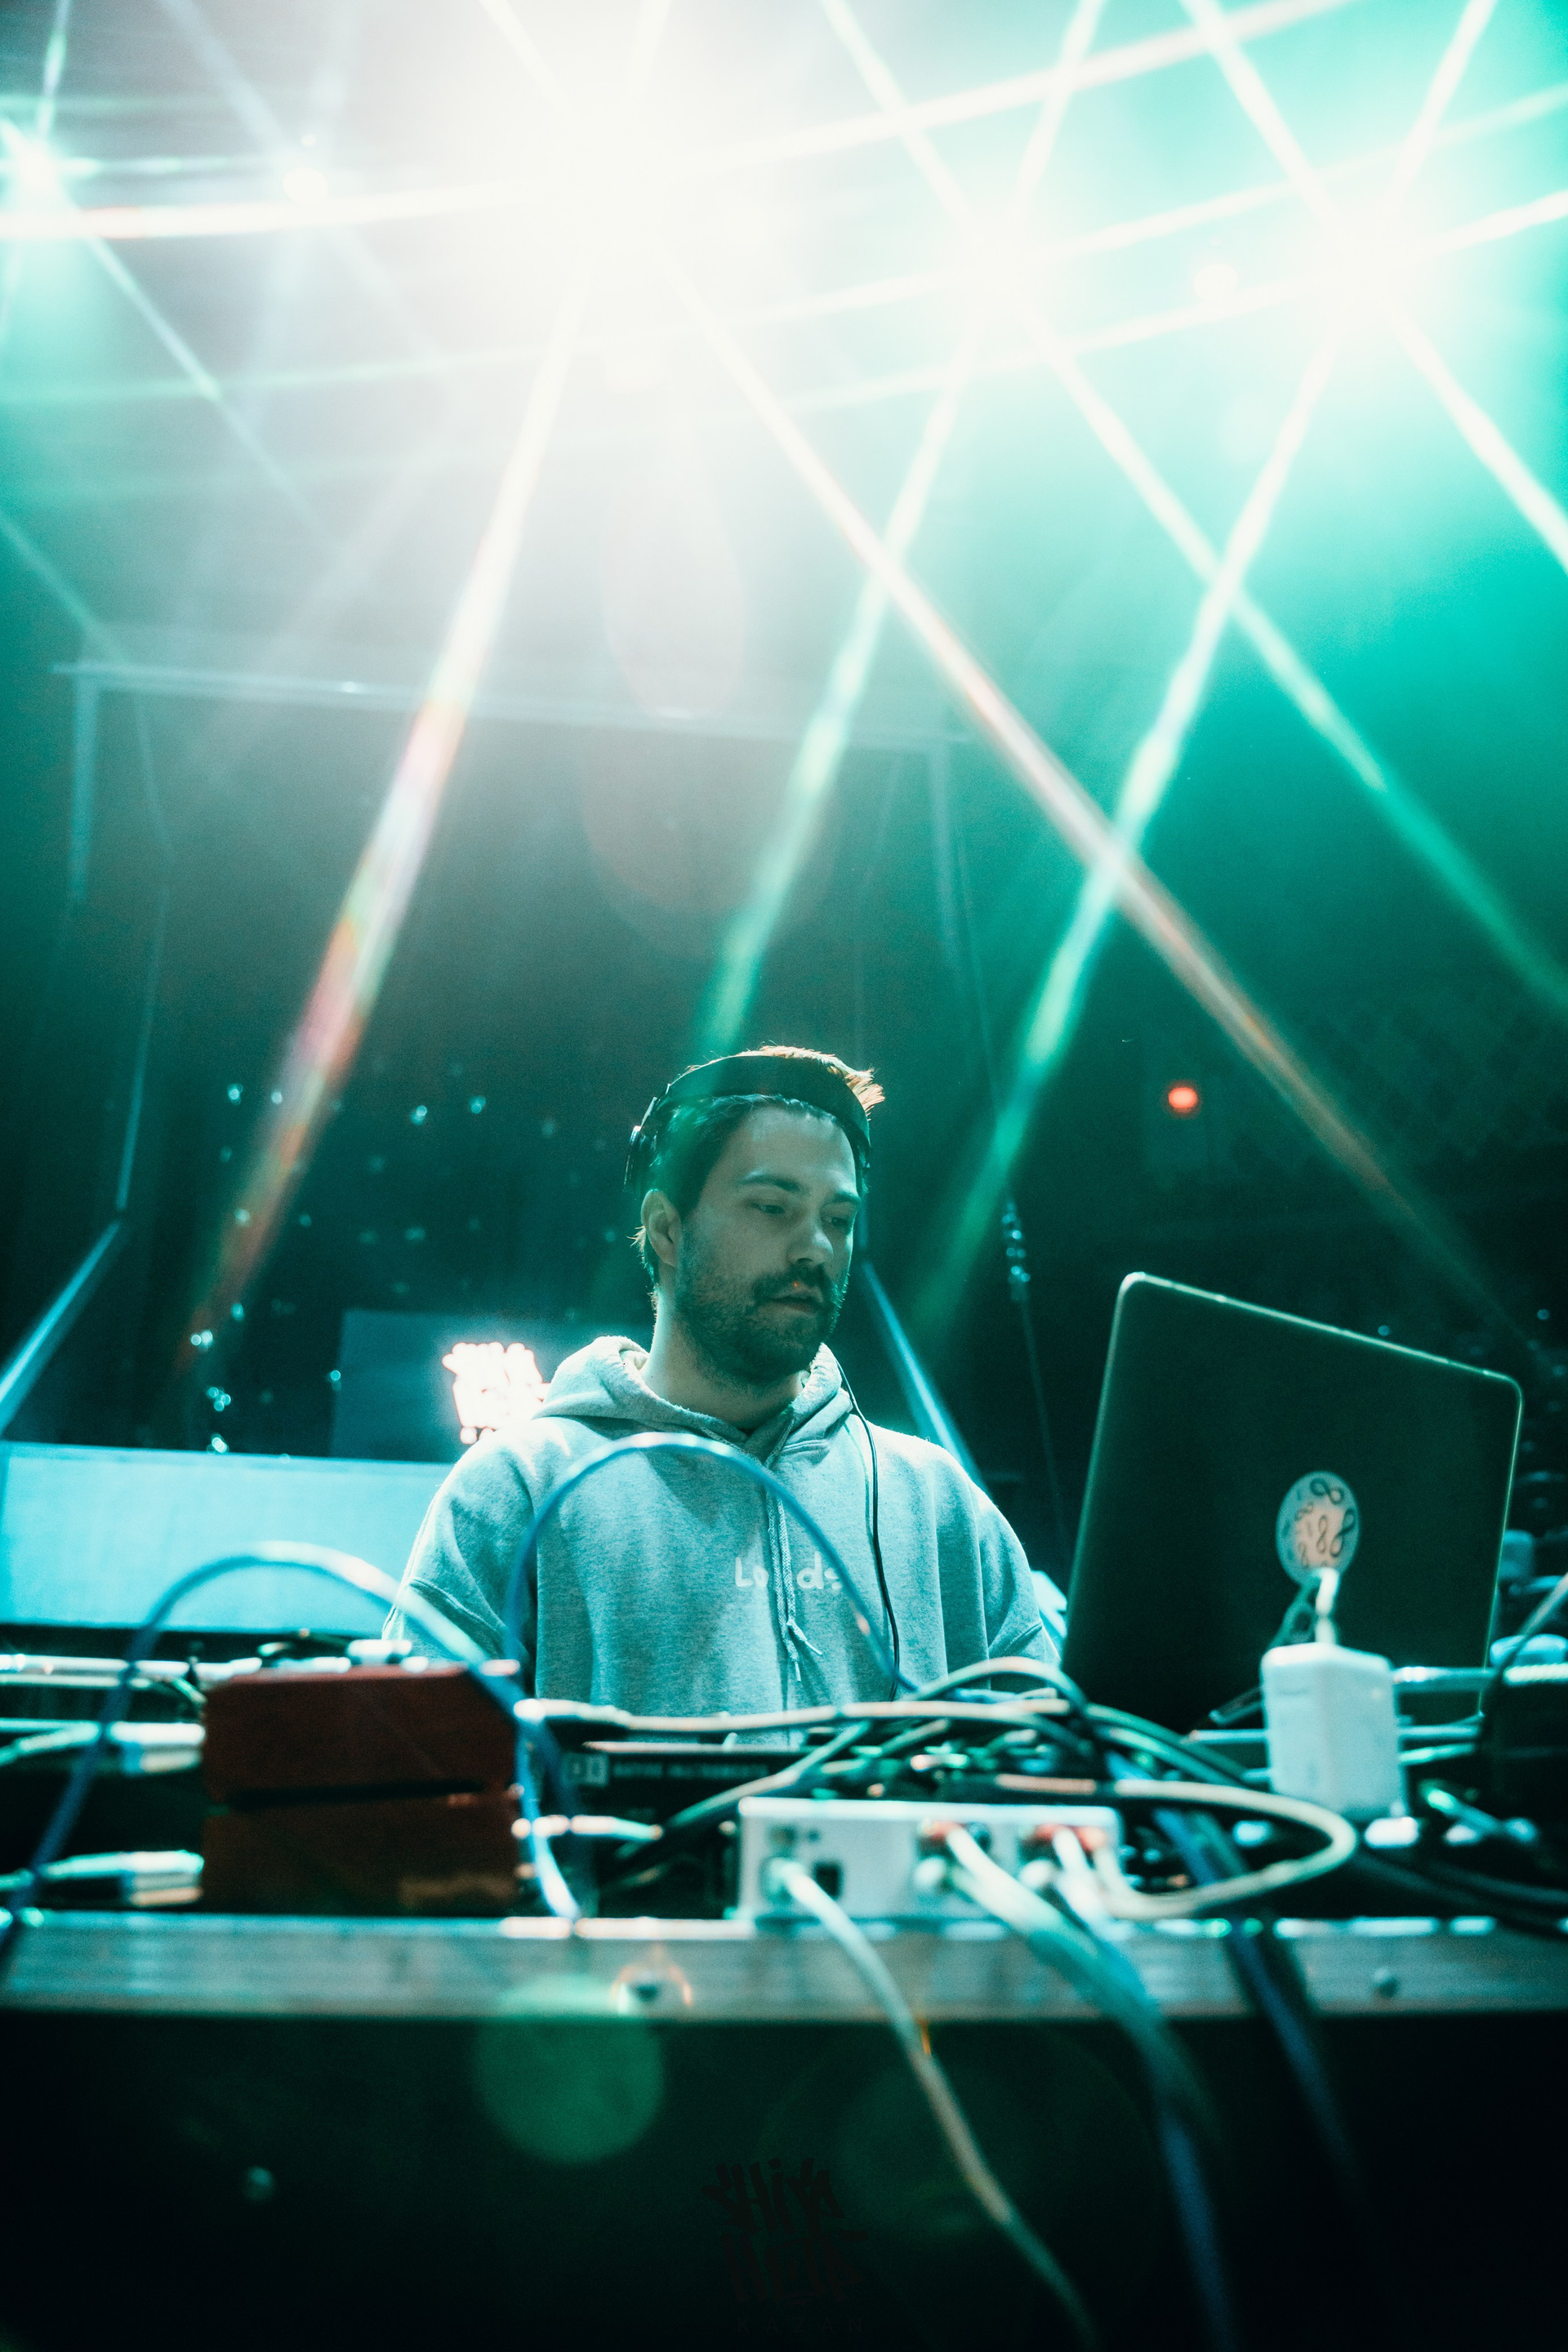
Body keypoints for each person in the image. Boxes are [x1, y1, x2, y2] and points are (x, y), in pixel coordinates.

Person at [390, 1046, 1049, 1713]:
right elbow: (410, 1759)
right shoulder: (518, 1489)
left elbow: (1059, 1752)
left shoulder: (936, 1504)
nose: (816, 1247)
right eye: (772, 1207)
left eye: (838, 1220)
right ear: (667, 1229)